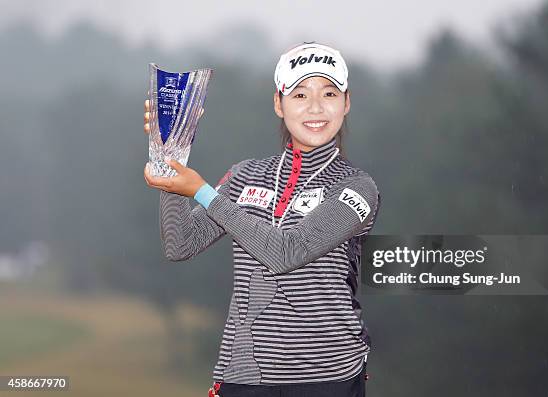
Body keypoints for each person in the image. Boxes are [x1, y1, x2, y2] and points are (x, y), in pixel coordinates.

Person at [143, 41, 380, 397]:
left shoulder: (358, 187)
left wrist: (203, 192)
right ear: (278, 104)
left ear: (346, 103)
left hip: (327, 376)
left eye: (329, 93)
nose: (316, 107)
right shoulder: (246, 175)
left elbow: (287, 253)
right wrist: (169, 156)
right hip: (244, 374)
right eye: (299, 95)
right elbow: (181, 243)